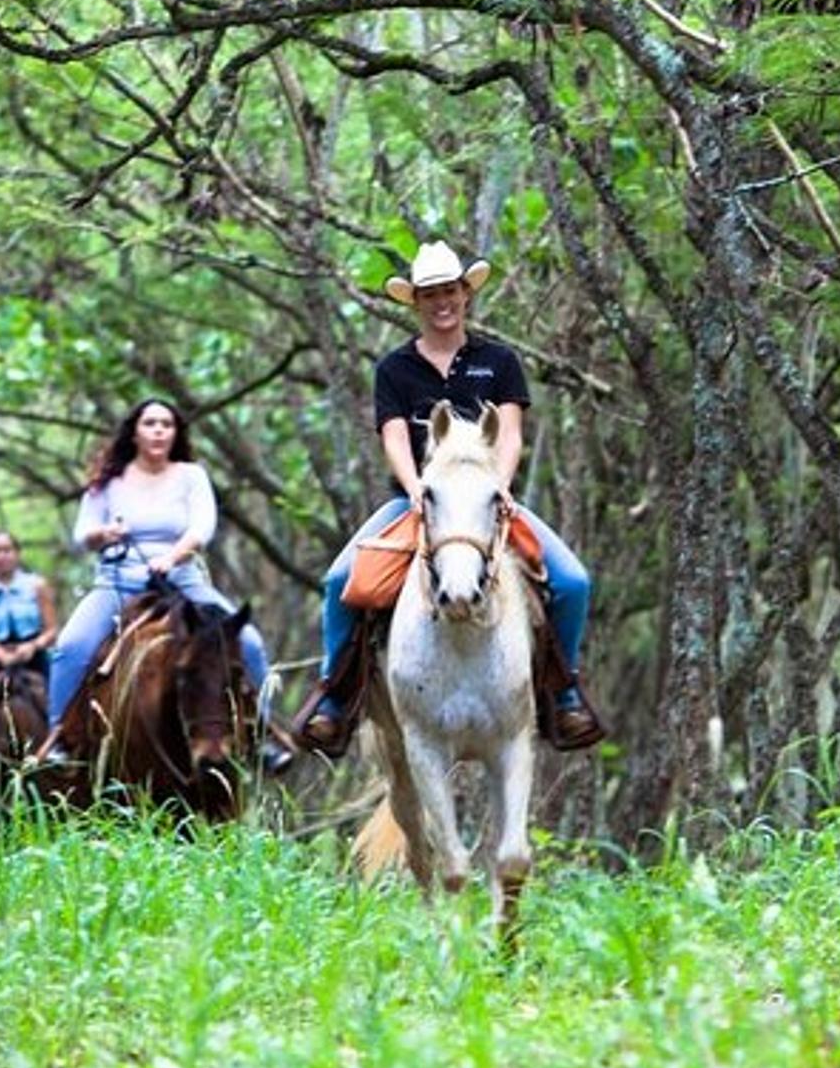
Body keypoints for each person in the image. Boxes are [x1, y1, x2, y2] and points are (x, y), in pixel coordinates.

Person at [296, 240, 606, 754]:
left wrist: (502, 486)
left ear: (466, 295)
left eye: (450, 291)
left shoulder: (498, 362)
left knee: (572, 580)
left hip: (487, 501)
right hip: (417, 501)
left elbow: (509, 434)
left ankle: (564, 692)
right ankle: (334, 698)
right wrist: (417, 489)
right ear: (415, 302)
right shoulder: (394, 369)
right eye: (430, 294)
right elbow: (394, 436)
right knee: (339, 580)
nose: (442, 302)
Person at [45, 399, 272, 728]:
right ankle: (59, 736)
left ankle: (263, 731)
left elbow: (202, 528)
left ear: (175, 433)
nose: (158, 431)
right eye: (150, 423)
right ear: (135, 433)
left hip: (182, 582)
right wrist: (105, 533)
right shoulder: (108, 479)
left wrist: (171, 557)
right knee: (71, 647)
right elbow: (83, 534)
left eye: (166, 424)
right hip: (117, 583)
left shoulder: (192, 476)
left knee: (249, 641)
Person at [0, 532, 59, 676]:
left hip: (35, 658)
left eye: (7, 550)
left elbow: (51, 631)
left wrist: (33, 646)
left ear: (17, 553)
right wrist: (3, 656)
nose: (2, 556)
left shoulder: (37, 585)